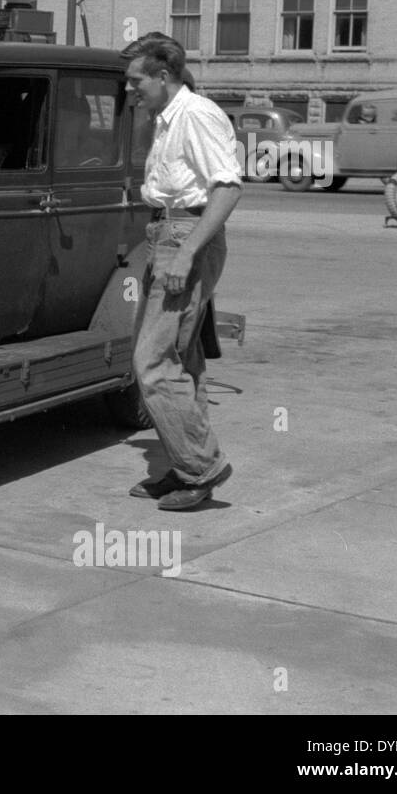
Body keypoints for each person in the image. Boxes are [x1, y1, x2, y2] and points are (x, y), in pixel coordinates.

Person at [123, 34, 240, 510]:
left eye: (136, 81)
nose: (130, 90)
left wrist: (187, 252)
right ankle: (184, 462)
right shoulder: (168, 118)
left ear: (163, 75)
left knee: (151, 363)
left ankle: (200, 467)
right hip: (168, 234)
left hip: (184, 237)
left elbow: (228, 188)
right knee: (181, 360)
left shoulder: (195, 115)